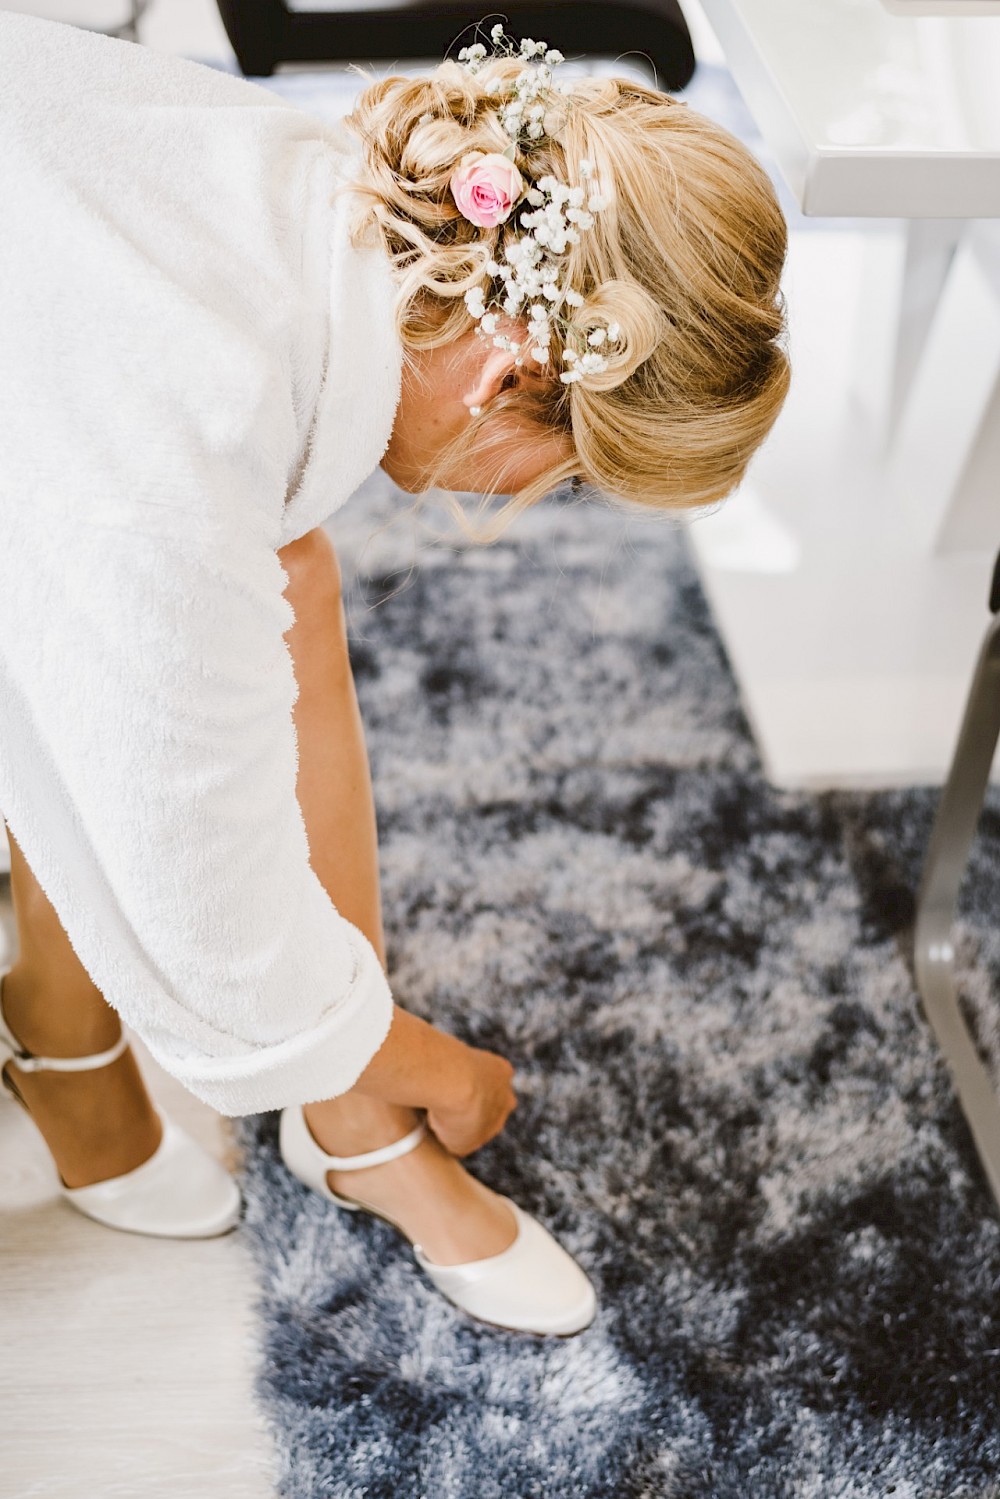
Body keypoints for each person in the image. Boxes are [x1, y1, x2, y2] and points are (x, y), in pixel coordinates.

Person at [0, 14, 789, 1337]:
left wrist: (357, 1058)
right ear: (512, 373)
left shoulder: (295, 193)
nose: (545, 497)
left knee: (284, 566)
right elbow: (207, 898)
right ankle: (292, 1097)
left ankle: (307, 1113)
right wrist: (431, 1063)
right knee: (180, 635)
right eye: (577, 465)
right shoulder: (182, 446)